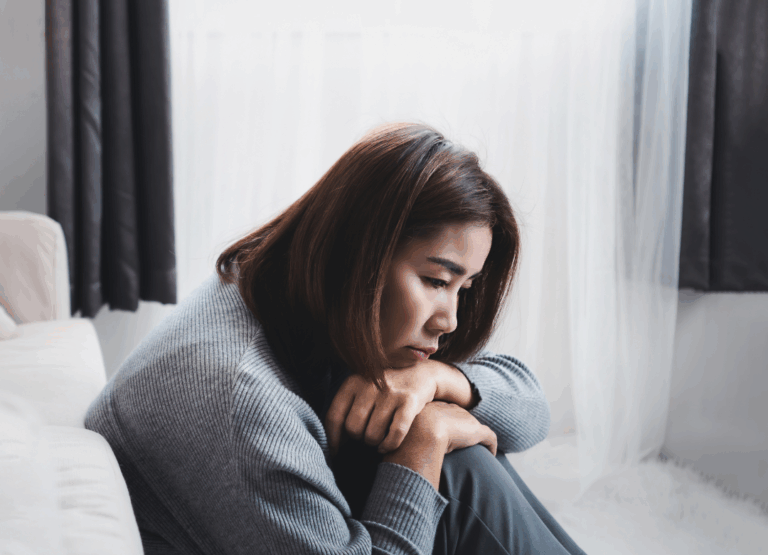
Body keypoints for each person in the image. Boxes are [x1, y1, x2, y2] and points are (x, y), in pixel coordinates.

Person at [84, 122, 587, 554]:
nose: (450, 320)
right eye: (436, 281)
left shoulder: (284, 289)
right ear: (358, 253)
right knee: (457, 466)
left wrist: (441, 381)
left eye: (464, 286)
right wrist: (427, 440)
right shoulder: (242, 403)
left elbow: (530, 410)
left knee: (441, 432)